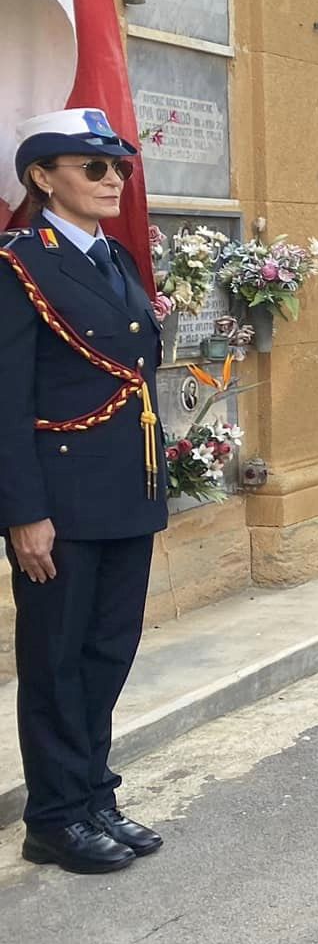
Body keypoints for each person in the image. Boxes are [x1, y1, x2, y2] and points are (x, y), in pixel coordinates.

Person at [0, 109, 169, 874]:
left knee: (107, 652)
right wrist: (23, 513)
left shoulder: (119, 260)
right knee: (56, 659)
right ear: (41, 176)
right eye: (92, 167)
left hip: (123, 489)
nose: (111, 180)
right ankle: (55, 818)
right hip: (60, 501)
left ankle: (94, 794)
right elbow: (5, 399)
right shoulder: (18, 265)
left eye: (120, 169)